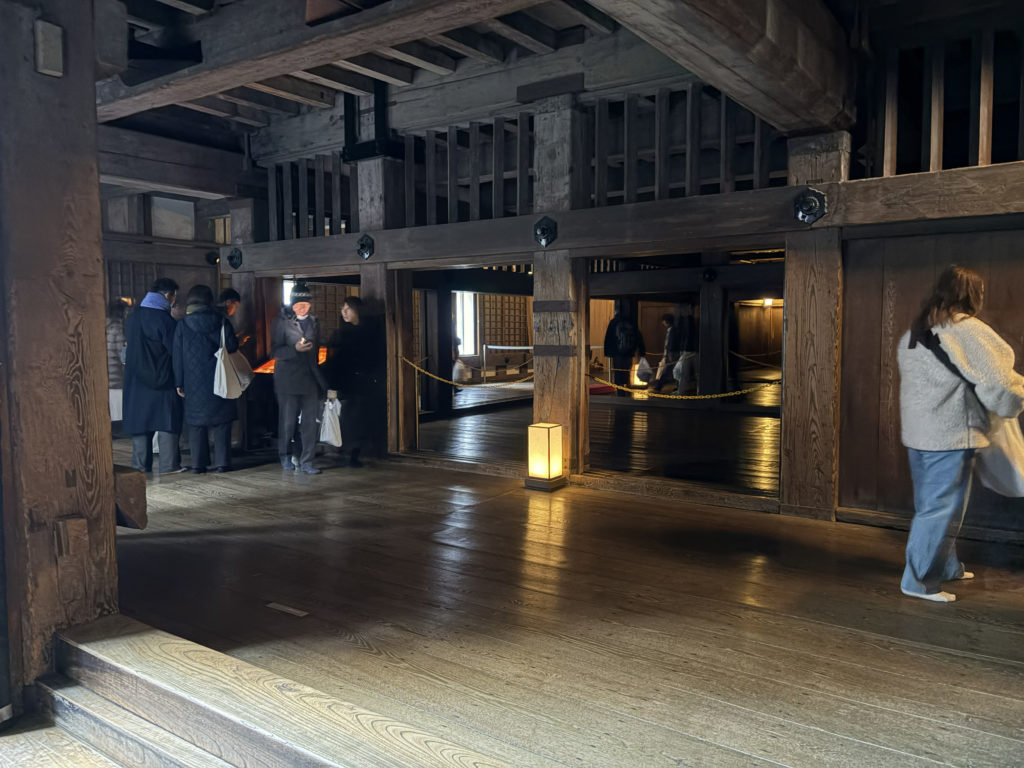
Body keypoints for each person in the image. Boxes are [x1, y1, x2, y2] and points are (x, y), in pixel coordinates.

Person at [897, 265, 1024, 602]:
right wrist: (1017, 399)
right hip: (951, 435)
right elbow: (999, 382)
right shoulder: (968, 330)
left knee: (934, 506)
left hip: (919, 435)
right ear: (972, 296)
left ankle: (947, 567)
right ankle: (919, 581)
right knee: (942, 508)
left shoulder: (916, 332)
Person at [173, 284, 239, 474]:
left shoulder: (182, 325)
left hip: (193, 381)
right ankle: (223, 463)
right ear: (209, 300)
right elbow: (232, 346)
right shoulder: (222, 321)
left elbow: (177, 356)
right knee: (221, 422)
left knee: (196, 424)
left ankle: (198, 465)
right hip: (220, 378)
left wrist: (179, 382)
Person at [123, 278, 184, 474]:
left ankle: (140, 467)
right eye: (174, 297)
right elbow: (176, 351)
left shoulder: (133, 318)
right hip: (163, 379)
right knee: (167, 421)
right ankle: (169, 465)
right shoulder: (165, 320)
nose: (173, 301)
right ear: (168, 295)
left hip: (136, 380)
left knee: (141, 423)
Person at [272, 282, 327, 474]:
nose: (302, 308)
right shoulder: (281, 322)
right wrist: (294, 349)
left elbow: (317, 350)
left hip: (310, 377)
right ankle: (286, 456)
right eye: (298, 304)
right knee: (288, 422)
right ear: (291, 304)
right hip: (287, 380)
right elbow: (275, 350)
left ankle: (307, 461)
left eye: (306, 304)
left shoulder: (314, 322)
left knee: (310, 423)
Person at [326, 296, 376, 467]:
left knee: (360, 419)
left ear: (357, 310)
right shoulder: (340, 333)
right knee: (347, 418)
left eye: (348, 309)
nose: (344, 312)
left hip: (363, 383)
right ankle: (345, 451)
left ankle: (355, 453)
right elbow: (334, 362)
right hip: (345, 383)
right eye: (343, 309)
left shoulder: (370, 332)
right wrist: (332, 386)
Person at [603, 302, 645, 397]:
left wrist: (608, 352)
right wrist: (642, 351)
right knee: (626, 371)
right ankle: (626, 389)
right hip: (628, 352)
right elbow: (638, 337)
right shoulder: (631, 322)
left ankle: (620, 391)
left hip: (617, 352)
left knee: (618, 372)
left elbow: (608, 337)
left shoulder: (614, 322)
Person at [674, 304, 699, 395]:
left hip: (689, 350)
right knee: (694, 373)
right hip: (693, 350)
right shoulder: (692, 321)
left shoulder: (686, 322)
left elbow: (686, 337)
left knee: (686, 373)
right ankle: (698, 391)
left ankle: (682, 391)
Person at [654, 313, 681, 391]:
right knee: (675, 371)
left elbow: (669, 345)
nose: (663, 323)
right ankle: (677, 387)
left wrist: (667, 356)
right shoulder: (674, 330)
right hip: (673, 354)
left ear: (666, 321)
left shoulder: (672, 331)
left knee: (666, 372)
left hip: (671, 354)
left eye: (663, 321)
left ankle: (658, 388)